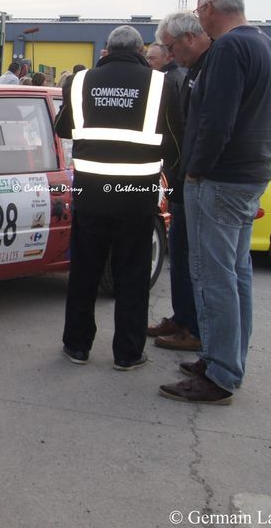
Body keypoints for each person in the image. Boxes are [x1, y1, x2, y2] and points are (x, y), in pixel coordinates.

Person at [160, 0, 271, 406]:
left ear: (210, 7)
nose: (199, 16)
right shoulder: (264, 44)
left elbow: (217, 120)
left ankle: (221, 373)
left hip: (220, 180)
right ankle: (223, 359)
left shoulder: (229, 48)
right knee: (236, 273)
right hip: (249, 175)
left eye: (199, 9)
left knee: (213, 278)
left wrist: (195, 171)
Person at [54, 25, 182, 371]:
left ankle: (77, 346)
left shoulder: (81, 81)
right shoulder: (160, 83)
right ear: (141, 50)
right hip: (136, 195)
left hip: (91, 192)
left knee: (85, 272)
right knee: (132, 273)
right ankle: (127, 353)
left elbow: (63, 129)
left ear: (106, 50)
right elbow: (174, 141)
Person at [149, 11, 212, 352]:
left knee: (191, 256)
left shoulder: (179, 78)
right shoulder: (188, 74)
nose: (170, 54)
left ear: (187, 39)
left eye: (170, 48)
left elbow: (184, 129)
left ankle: (192, 326)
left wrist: (185, 169)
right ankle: (182, 317)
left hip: (188, 174)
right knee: (180, 249)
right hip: (181, 171)